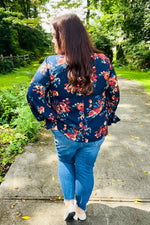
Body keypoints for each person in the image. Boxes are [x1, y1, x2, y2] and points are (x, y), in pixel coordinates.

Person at [27, 14, 120, 222]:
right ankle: (81, 209)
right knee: (86, 168)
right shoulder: (104, 61)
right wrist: (108, 117)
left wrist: (51, 118)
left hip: (64, 130)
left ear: (65, 38)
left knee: (66, 162)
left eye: (54, 36)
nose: (52, 40)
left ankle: (69, 204)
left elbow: (34, 92)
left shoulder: (51, 64)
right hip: (95, 130)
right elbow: (114, 93)